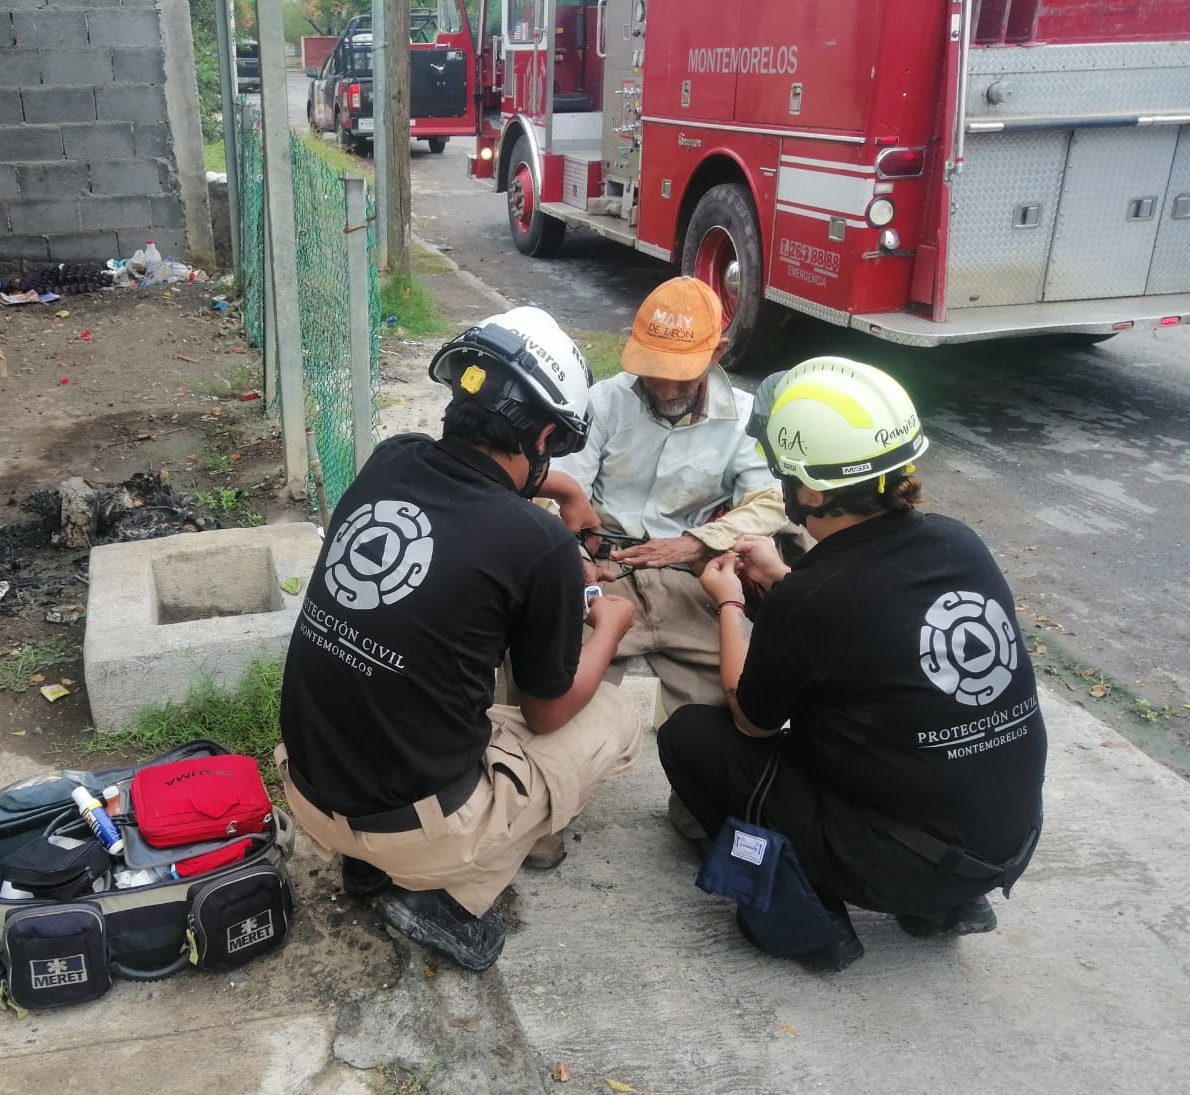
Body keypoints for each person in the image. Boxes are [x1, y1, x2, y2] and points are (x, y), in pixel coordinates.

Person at [275, 307, 644, 971]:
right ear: (544, 434)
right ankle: (444, 894)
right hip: (412, 829)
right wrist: (610, 626)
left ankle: (367, 863)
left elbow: (483, 490)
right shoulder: (541, 546)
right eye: (554, 447)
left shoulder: (392, 458)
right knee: (617, 716)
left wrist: (565, 490)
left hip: (308, 788)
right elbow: (546, 714)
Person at [659, 357, 1046, 970]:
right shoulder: (958, 542)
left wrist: (730, 601)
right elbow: (875, 617)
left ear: (811, 492)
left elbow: (752, 720)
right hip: (1003, 843)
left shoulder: (813, 598)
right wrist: (787, 582)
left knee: (692, 737)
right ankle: (949, 903)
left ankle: (808, 912)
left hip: (896, 860)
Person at [544, 276, 795, 715]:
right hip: (605, 568)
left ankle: (688, 750)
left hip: (693, 576)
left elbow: (771, 502)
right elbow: (563, 490)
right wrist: (576, 555)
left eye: (680, 375)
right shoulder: (603, 402)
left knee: (742, 697)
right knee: (549, 678)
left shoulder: (743, 418)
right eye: (653, 370)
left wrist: (698, 542)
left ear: (717, 352)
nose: (664, 388)